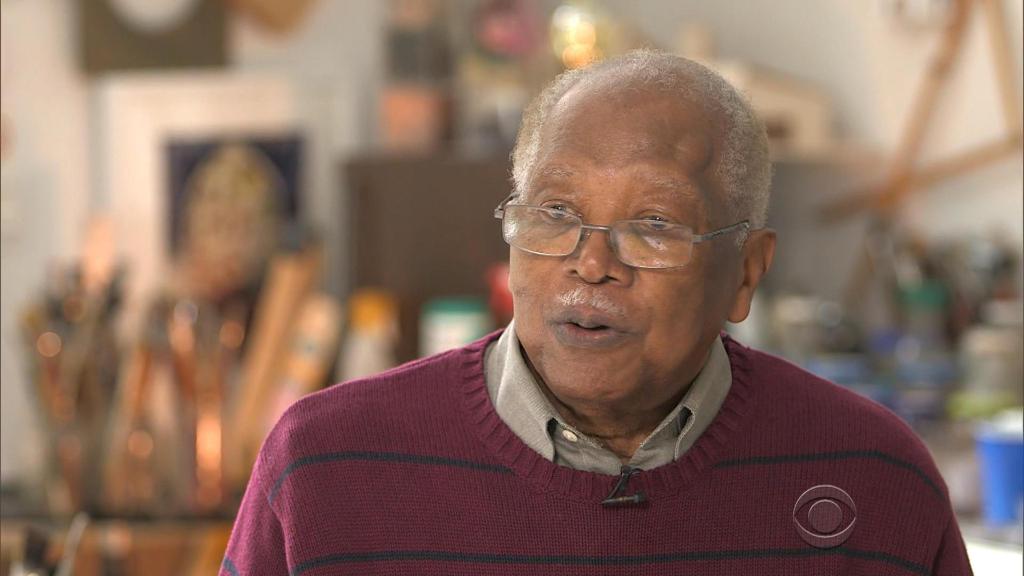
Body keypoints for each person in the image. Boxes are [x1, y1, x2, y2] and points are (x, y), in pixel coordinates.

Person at [221, 50, 972, 576]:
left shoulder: (875, 477)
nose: (591, 263)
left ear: (746, 272)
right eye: (555, 212)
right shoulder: (325, 468)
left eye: (654, 224)